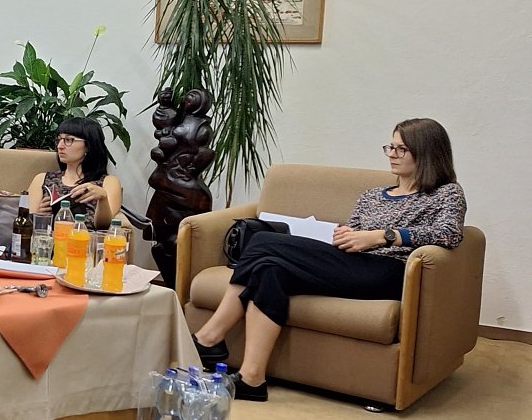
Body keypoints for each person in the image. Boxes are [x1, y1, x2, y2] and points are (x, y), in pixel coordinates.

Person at [192, 117, 466, 402]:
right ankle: (252, 378)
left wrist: (383, 236)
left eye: (402, 149)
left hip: (390, 271)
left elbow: (449, 234)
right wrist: (346, 235)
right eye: (390, 147)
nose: (392, 155)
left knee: (261, 241)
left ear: (426, 152)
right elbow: (354, 230)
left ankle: (209, 337)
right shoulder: (373, 195)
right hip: (352, 264)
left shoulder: (446, 194)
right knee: (267, 269)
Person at [27, 117, 123, 229]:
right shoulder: (41, 179)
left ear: (88, 145)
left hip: (87, 238)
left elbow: (104, 226)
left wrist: (103, 199)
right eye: (59, 140)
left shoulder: (108, 182)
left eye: (68, 140)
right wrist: (39, 216)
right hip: (50, 238)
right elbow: (24, 224)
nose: (60, 146)